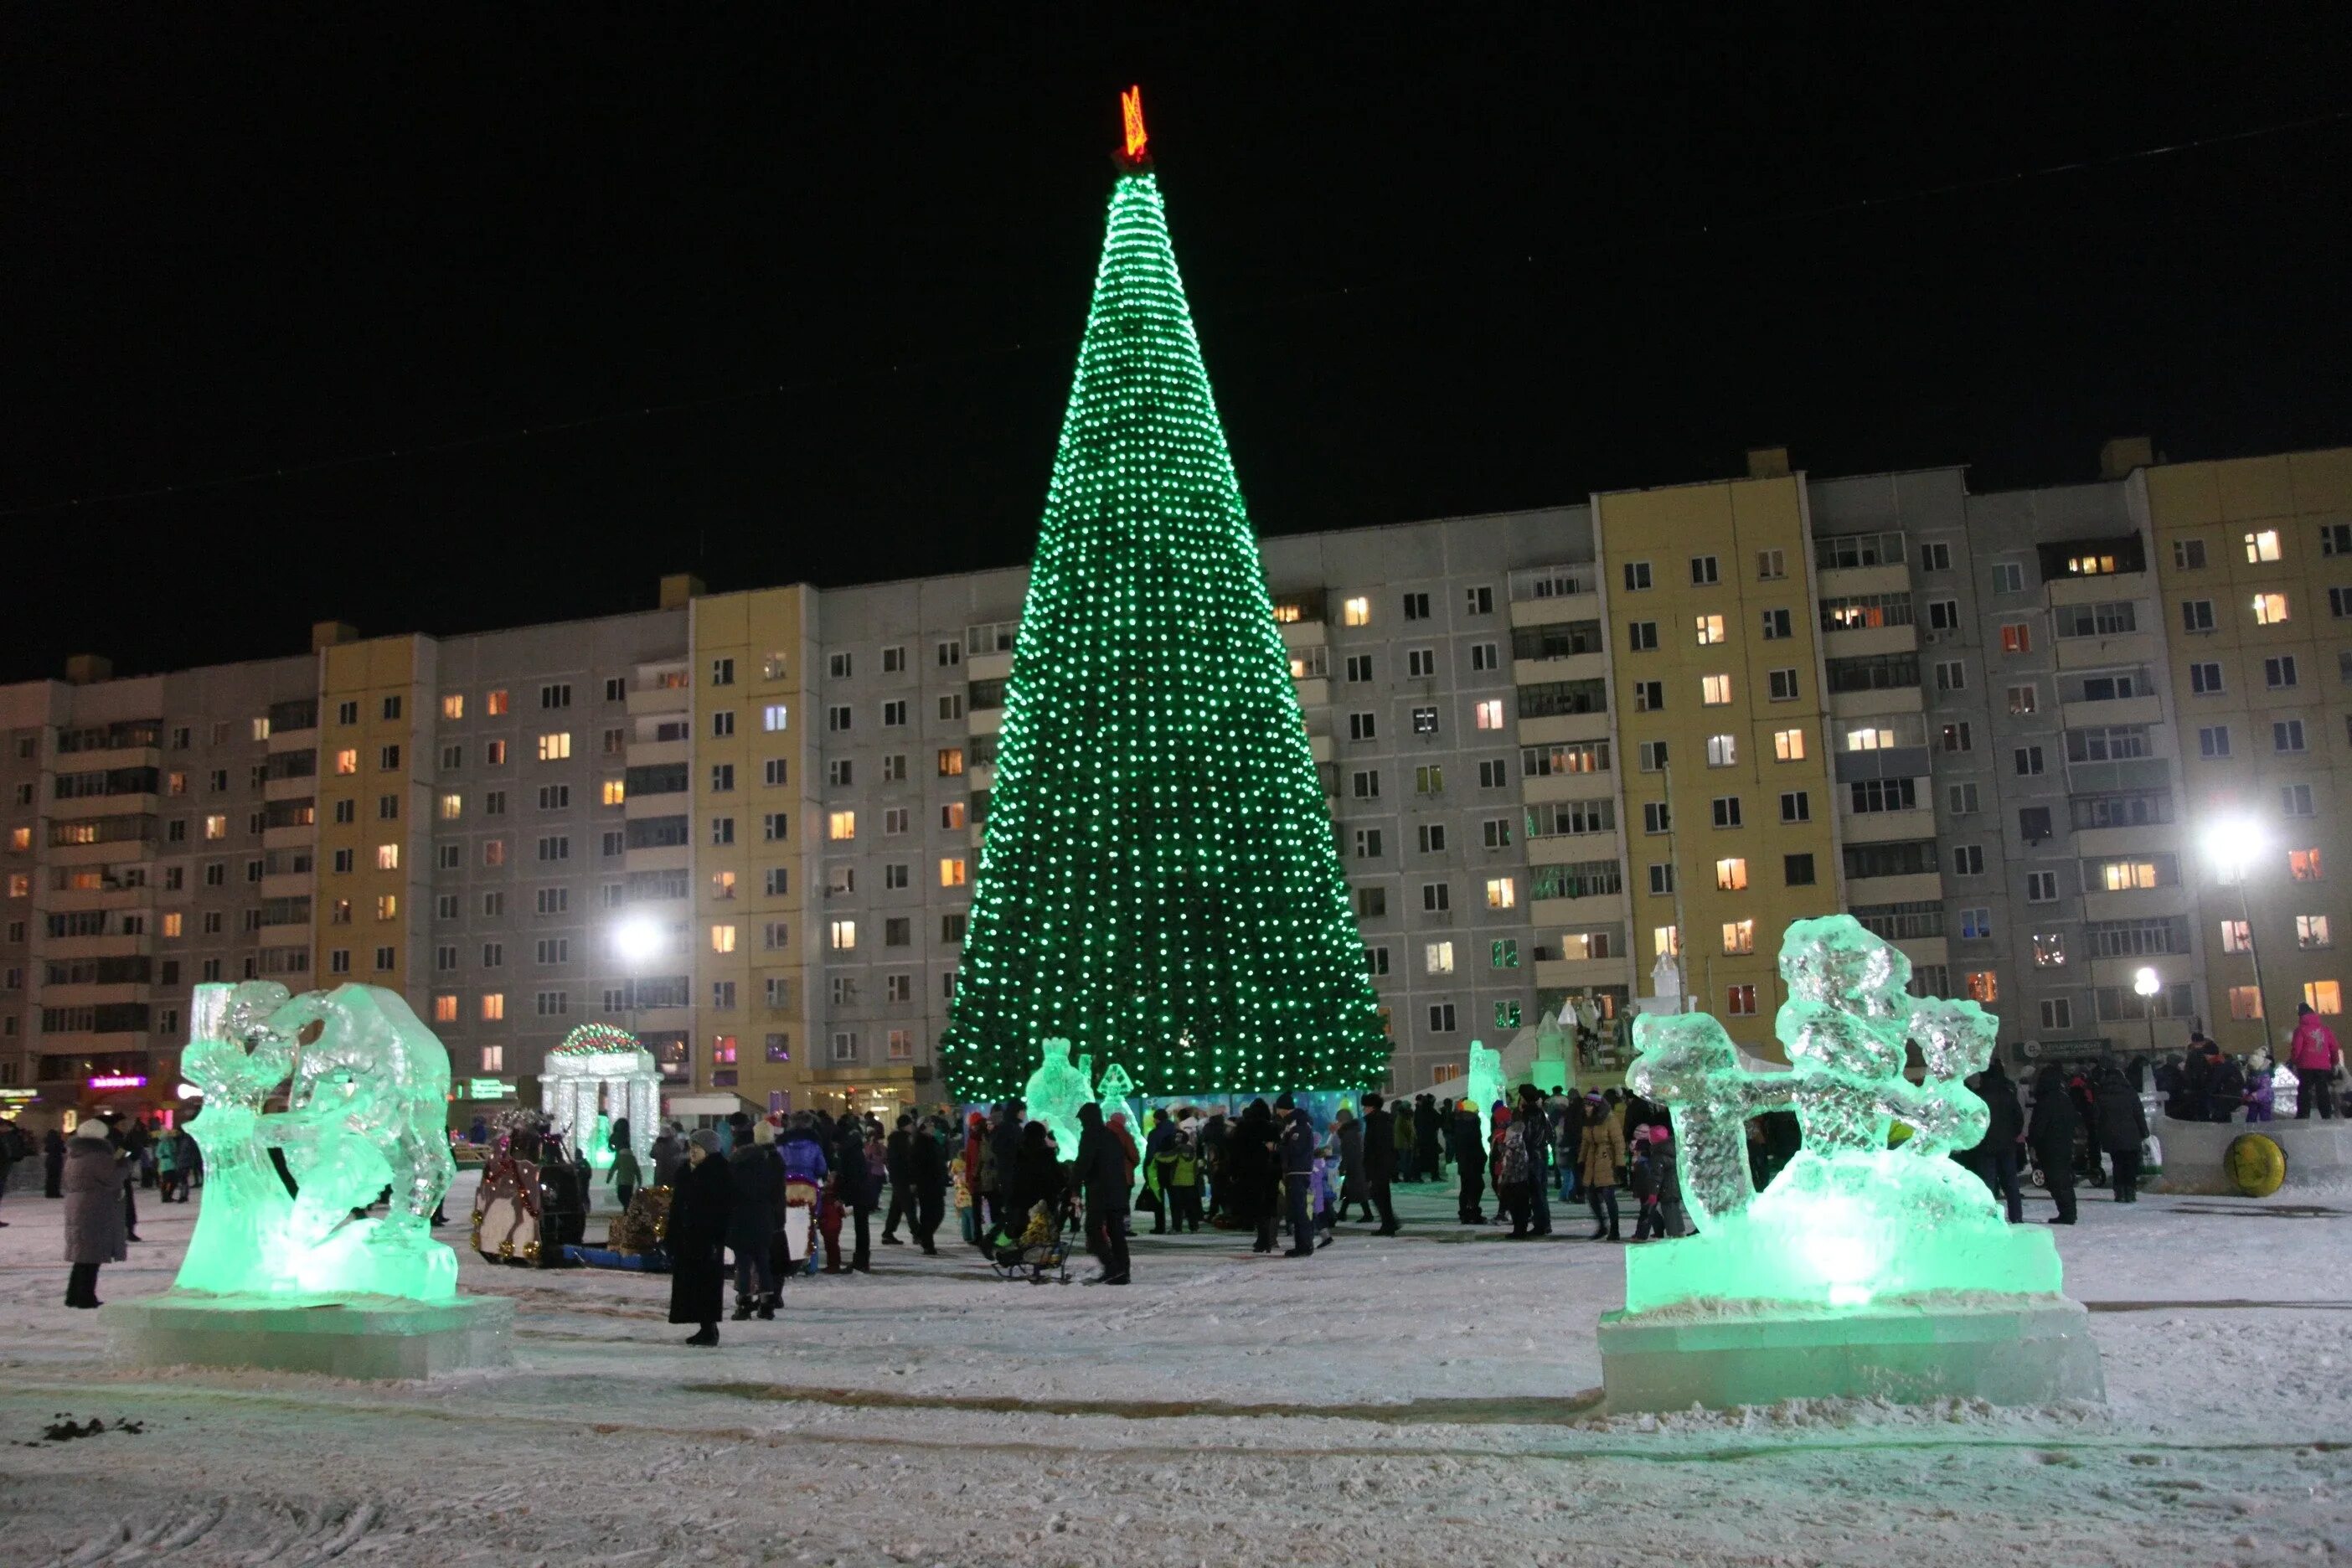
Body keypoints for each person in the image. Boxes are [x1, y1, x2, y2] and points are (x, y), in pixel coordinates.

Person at [667, 1129, 733, 1344]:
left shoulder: (717, 1172)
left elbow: (722, 1209)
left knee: (706, 1284)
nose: (693, 1151)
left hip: (707, 1237)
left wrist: (718, 1236)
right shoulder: (688, 1171)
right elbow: (678, 1206)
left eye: (698, 1147)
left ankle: (709, 1327)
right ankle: (704, 1325)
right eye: (692, 1146)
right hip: (688, 1237)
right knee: (693, 1283)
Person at [63, 1119, 130, 1308]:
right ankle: (85, 1298)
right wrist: (123, 1164)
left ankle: (73, 1295)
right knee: (91, 1255)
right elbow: (111, 1178)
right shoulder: (98, 1156)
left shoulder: (74, 1155)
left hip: (77, 1205)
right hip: (95, 1206)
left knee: (82, 1254)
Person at [725, 1117, 784, 1320]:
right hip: (763, 1220)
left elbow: (729, 1195)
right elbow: (775, 1194)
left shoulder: (734, 1167)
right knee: (763, 1262)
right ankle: (767, 1304)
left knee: (743, 1265)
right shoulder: (767, 1166)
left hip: (740, 1221)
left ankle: (744, 1304)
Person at [1070, 1101, 1131, 1284]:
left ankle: (1112, 1267)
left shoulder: (1090, 1135)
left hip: (1100, 1190)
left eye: (1082, 1120)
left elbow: (1084, 1162)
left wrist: (1073, 1184)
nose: (1081, 1124)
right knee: (1116, 1231)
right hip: (1118, 1189)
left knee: (1093, 1228)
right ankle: (1123, 1271)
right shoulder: (1110, 1135)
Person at [1973, 1060, 2026, 1224]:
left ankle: (1989, 1218)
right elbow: (2019, 1118)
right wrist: (2012, 1135)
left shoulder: (1979, 1096)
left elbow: (1974, 1121)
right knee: (2011, 1183)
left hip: (1985, 1145)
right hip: (2007, 1145)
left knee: (1988, 1183)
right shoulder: (2008, 1094)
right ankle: (2016, 1216)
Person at [2027, 1064, 2080, 1225]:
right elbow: (2074, 1120)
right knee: (2064, 1179)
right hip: (2064, 1143)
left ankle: (2067, 1213)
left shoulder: (2045, 1102)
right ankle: (2070, 1211)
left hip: (2049, 1146)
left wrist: (2033, 1142)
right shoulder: (2064, 1098)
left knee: (2056, 1181)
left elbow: (2038, 1126)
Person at [2092, 1059, 2149, 1203]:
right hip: (2131, 1133)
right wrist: (2144, 1132)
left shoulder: (2101, 1094)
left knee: (2117, 1163)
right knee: (2130, 1164)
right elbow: (2139, 1114)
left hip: (2111, 1135)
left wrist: (2099, 1134)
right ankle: (2130, 1191)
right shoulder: (2130, 1093)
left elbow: (2096, 1117)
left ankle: (2119, 1192)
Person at [833, 1114, 877, 1272]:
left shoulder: (848, 1152)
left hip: (859, 1191)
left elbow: (849, 1176)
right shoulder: (855, 1146)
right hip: (863, 1190)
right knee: (862, 1227)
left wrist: (841, 1197)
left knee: (861, 1227)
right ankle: (862, 1259)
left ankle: (861, 1261)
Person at [1577, 1094, 1625, 1240]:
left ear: (1597, 1107)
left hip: (1606, 1161)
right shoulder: (1587, 1121)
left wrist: (1620, 1164)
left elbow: (1618, 1143)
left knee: (1609, 1197)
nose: (1586, 1108)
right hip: (1592, 1161)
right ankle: (1602, 1225)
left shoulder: (1610, 1120)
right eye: (1585, 1105)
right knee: (1591, 1197)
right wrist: (1581, 1161)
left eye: (1589, 1105)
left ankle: (1614, 1229)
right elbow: (1585, 1143)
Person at [2291, 1003, 2342, 1120]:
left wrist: (2294, 1061)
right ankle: (2326, 1113)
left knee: (2304, 1089)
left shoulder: (2300, 1030)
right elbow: (2334, 1047)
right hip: (2323, 1066)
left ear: (2301, 1016)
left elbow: (2297, 1048)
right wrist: (2335, 1062)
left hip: (2305, 1066)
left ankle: (2303, 1114)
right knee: (2322, 1089)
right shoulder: (2325, 1030)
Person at [1359, 1091, 1400, 1235]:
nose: (1364, 1109)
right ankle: (1389, 1223)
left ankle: (1389, 1223)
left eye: (1365, 1106)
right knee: (1381, 1195)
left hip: (1378, 1165)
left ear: (1372, 1107)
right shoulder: (1380, 1120)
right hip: (1382, 1164)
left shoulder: (1376, 1122)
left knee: (1378, 1194)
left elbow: (1376, 1146)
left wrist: (1370, 1166)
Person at [1514, 1086, 1553, 1236]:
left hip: (1532, 1156)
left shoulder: (1529, 1114)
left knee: (1536, 1193)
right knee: (1541, 1192)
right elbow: (1551, 1135)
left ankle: (1541, 1225)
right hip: (1542, 1154)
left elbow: (1526, 1137)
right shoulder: (1541, 1113)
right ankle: (1545, 1223)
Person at [1281, 1104, 1318, 1257]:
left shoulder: (1299, 1127)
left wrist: (1278, 1147)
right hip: (1296, 1171)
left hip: (1298, 1171)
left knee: (1299, 1209)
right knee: (1297, 1210)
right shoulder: (1294, 1126)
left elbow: (1295, 1149)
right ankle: (1302, 1244)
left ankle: (1305, 1245)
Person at [910, 1114, 949, 1254]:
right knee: (931, 1214)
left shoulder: (932, 1141)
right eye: (930, 1125)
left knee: (937, 1213)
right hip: (926, 1184)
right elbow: (917, 1165)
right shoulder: (920, 1143)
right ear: (923, 1127)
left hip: (936, 1183)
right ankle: (926, 1241)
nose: (933, 1127)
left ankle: (924, 1238)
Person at [1333, 1106, 1370, 1224]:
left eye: (1338, 1121)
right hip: (1356, 1166)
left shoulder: (1348, 1135)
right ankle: (1343, 1213)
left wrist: (1343, 1167)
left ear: (1343, 1121)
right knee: (1350, 1191)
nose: (1337, 1124)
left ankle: (1367, 1214)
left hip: (1354, 1167)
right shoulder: (1353, 1132)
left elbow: (1348, 1154)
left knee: (1357, 1192)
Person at [1164, 1123, 1203, 1232]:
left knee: (1177, 1206)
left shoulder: (1176, 1151)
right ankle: (1194, 1226)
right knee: (1191, 1206)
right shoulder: (1192, 1151)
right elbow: (1197, 1167)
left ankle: (1177, 1227)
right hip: (1190, 1181)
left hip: (1177, 1181)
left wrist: (1157, 1155)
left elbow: (1167, 1160)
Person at [1627, 1131, 1662, 1241]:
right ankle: (1659, 1228)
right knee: (1650, 1212)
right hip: (1648, 1192)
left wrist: (1638, 1192)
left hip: (1648, 1192)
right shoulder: (1644, 1163)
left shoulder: (1643, 1164)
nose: (1634, 1153)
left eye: (1636, 1150)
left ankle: (1641, 1235)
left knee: (1645, 1213)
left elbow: (1642, 1182)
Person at [609, 1138, 642, 1215]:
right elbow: (637, 1171)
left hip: (621, 1181)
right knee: (628, 1197)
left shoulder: (619, 1158)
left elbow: (613, 1168)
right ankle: (628, 1209)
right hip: (630, 1182)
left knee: (621, 1196)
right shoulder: (632, 1158)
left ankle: (627, 1209)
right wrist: (639, 1181)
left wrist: (609, 1178)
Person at [44, 1126, 67, 1199]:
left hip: (49, 1160)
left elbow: (46, 1150)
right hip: (56, 1160)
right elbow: (63, 1150)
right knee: (56, 1178)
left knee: (50, 1177)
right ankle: (55, 1192)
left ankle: (49, 1192)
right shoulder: (58, 1141)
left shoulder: (48, 1141)